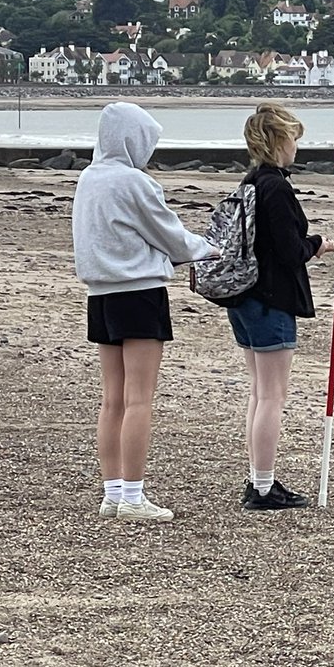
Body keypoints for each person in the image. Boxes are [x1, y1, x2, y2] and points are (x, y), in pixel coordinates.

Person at [72, 102, 217, 523]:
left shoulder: (88, 178)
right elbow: (169, 234)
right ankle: (132, 496)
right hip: (139, 293)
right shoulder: (134, 182)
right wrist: (206, 249)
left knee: (112, 399)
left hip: (101, 294)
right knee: (139, 399)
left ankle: (113, 491)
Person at [226, 102, 334, 511]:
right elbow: (290, 251)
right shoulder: (274, 186)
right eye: (292, 138)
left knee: (260, 391)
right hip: (269, 298)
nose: (296, 146)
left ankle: (258, 478)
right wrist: (317, 245)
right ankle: (262, 486)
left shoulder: (250, 182)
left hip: (245, 298)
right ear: (278, 141)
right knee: (272, 394)